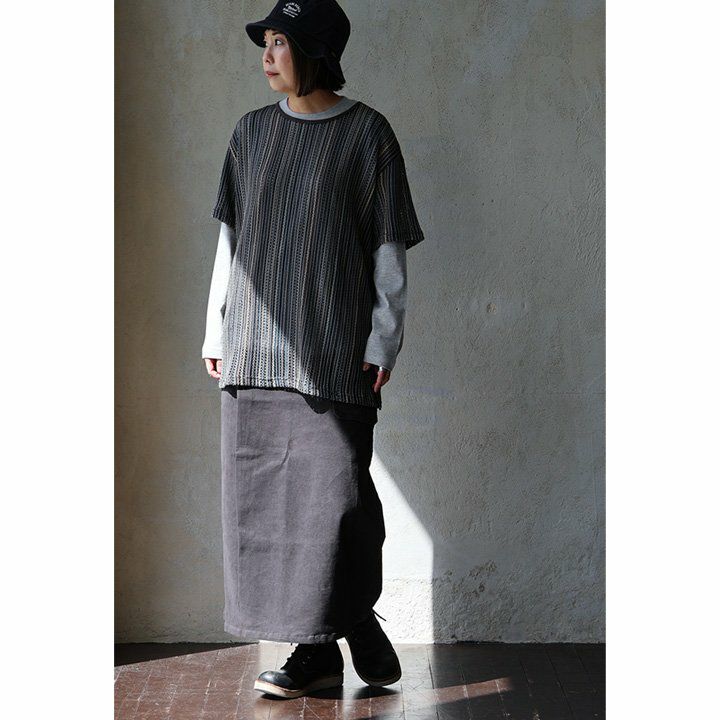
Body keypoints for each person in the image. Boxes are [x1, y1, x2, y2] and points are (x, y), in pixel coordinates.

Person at [201, 0, 425, 700]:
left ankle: (344, 617)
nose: (267, 56)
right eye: (265, 42)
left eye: (280, 42)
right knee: (268, 509)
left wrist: (384, 337)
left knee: (336, 500)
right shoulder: (250, 133)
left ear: (316, 51)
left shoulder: (368, 135)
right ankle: (323, 647)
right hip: (253, 348)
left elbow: (388, 249)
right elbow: (231, 241)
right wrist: (215, 329)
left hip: (335, 349)